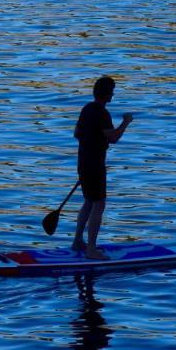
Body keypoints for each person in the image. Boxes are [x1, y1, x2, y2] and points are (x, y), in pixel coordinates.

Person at [72, 76, 133, 259]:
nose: (113, 93)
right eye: (112, 90)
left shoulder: (87, 108)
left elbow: (77, 134)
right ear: (108, 94)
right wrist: (126, 122)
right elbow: (113, 138)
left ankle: (77, 241)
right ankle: (91, 249)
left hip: (83, 161)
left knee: (89, 202)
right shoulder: (101, 112)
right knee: (99, 204)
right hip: (95, 164)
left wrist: (92, 141)